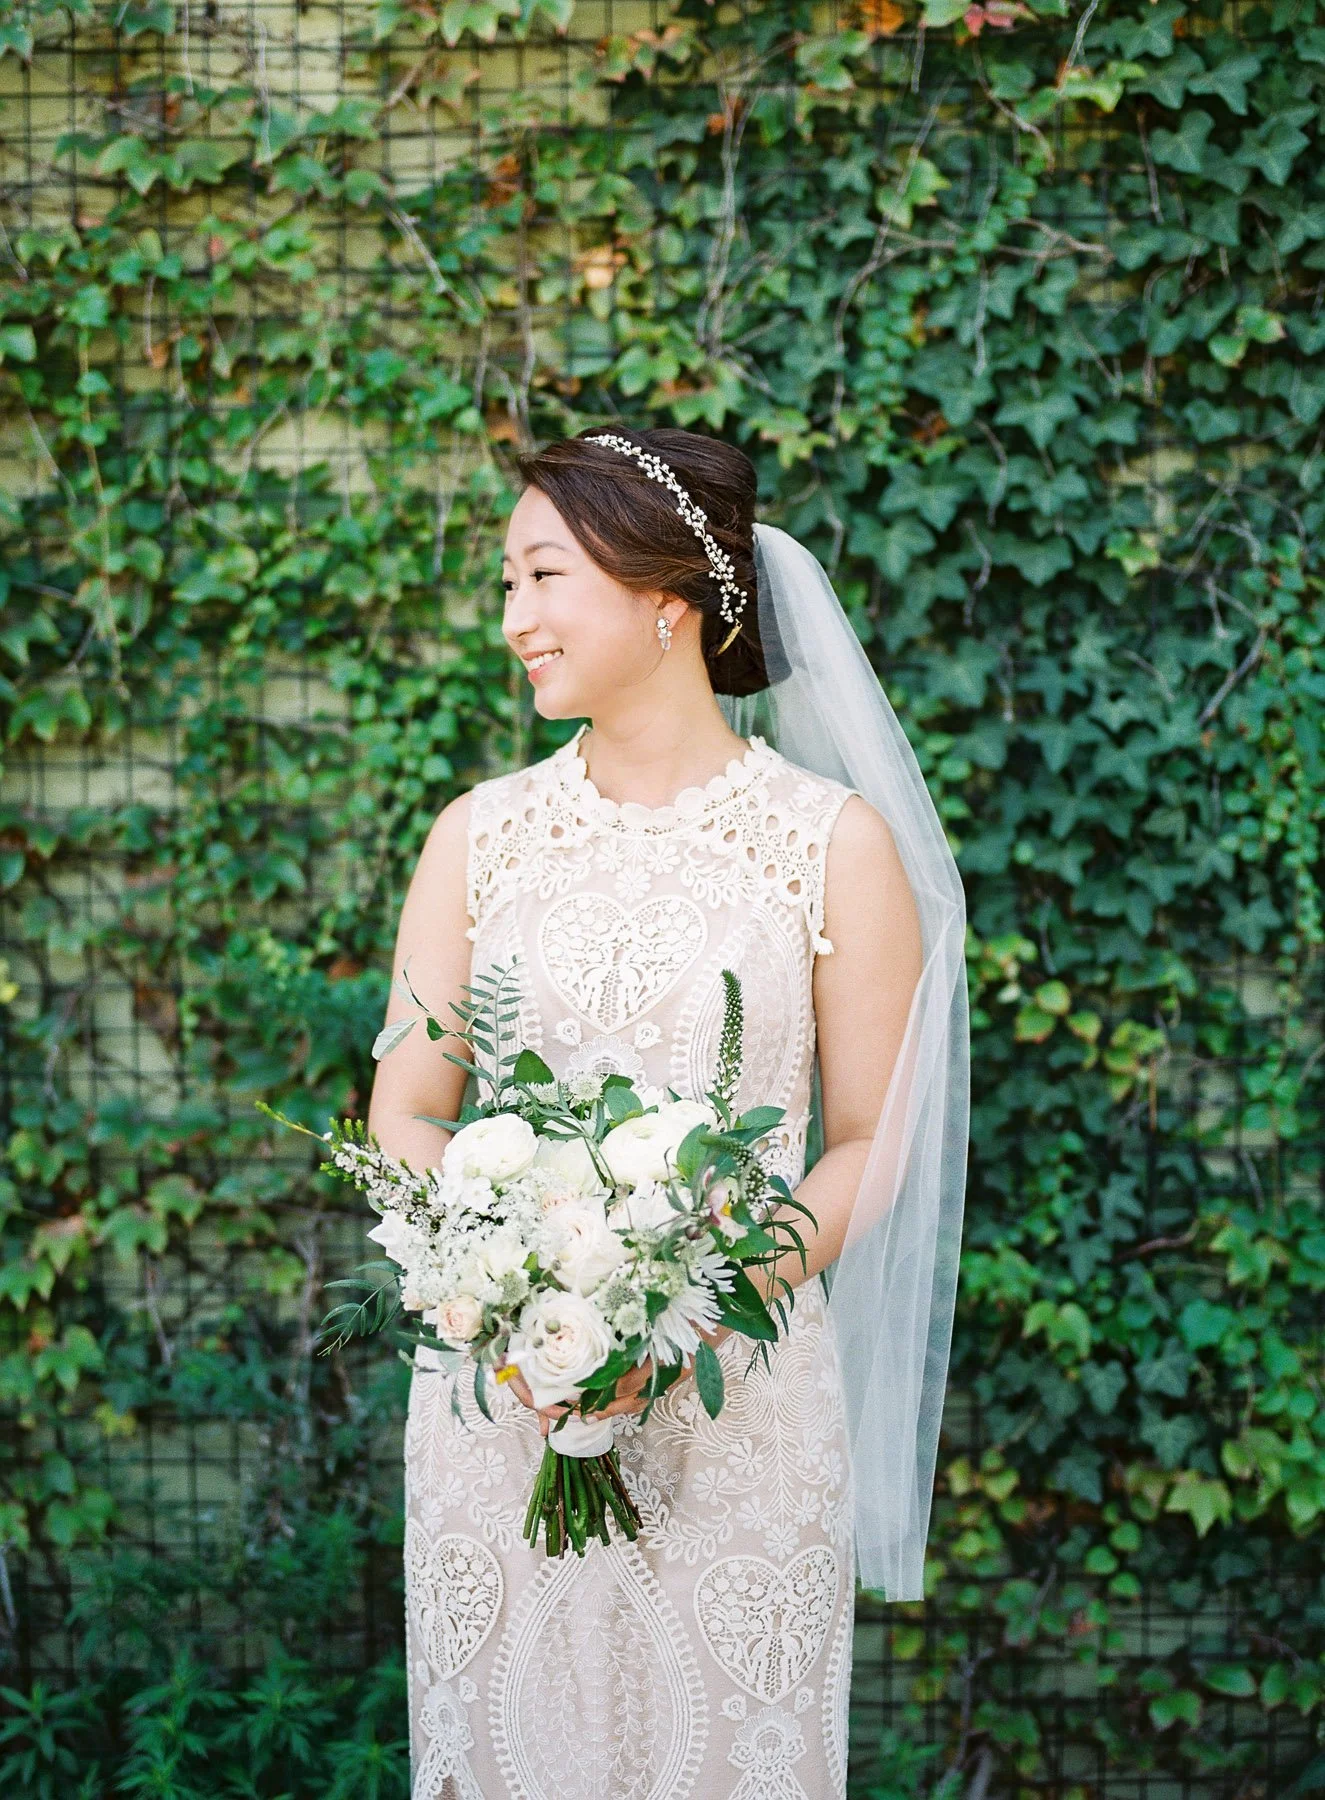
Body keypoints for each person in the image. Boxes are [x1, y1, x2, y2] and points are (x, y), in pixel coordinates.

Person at [367, 426, 956, 1800]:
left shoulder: (830, 844)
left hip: (737, 1409)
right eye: (507, 584)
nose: (512, 619)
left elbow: (872, 1138)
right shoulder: (477, 837)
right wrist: (506, 1290)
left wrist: (681, 1308)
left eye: (540, 576)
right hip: (504, 1401)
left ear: (662, 598)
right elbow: (405, 1109)